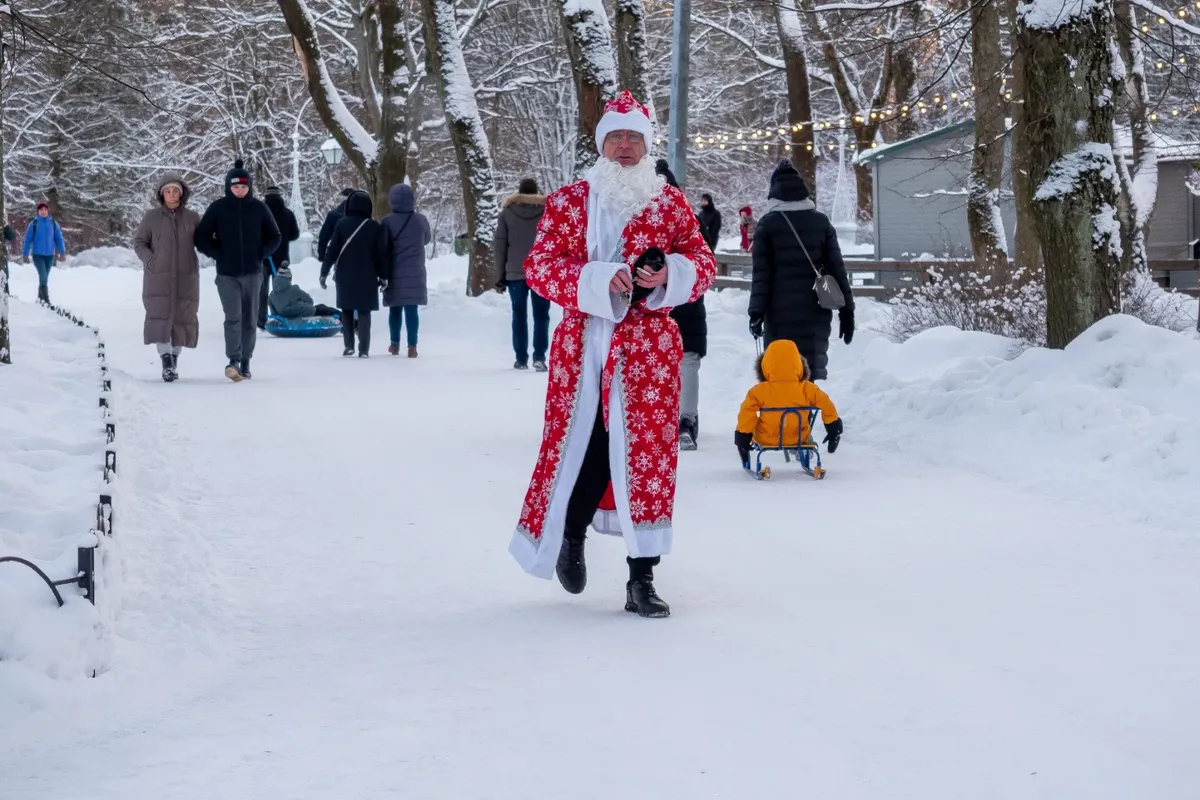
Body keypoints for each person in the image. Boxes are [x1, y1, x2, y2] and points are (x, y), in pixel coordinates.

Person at [508, 90, 717, 618]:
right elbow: (539, 267)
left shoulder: (669, 202)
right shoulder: (571, 200)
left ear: (647, 145)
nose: (625, 147)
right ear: (603, 143)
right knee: (589, 443)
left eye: (634, 138)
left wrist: (670, 271)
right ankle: (570, 535)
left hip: (648, 350)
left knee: (645, 456)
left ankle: (641, 578)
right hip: (584, 346)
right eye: (616, 137)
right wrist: (598, 279)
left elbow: (703, 263)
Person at [748, 159, 854, 381]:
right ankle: (806, 415)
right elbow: (837, 268)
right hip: (814, 310)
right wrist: (847, 311)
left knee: (780, 374)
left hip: (779, 313)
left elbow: (761, 276)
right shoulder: (821, 222)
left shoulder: (767, 225)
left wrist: (756, 313)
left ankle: (785, 416)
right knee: (808, 373)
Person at [194, 158, 283, 382]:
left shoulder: (259, 208)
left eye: (244, 186)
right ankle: (233, 360)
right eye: (236, 187)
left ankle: (246, 361)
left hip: (253, 273)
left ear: (249, 187)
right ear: (228, 187)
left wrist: (261, 253)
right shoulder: (218, 208)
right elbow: (201, 237)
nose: (240, 190)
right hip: (227, 274)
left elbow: (276, 236)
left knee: (250, 319)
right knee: (233, 317)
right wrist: (217, 253)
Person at [653, 160, 707, 451]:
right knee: (687, 362)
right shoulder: (690, 220)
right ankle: (686, 420)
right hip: (688, 304)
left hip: (655, 304)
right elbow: (705, 258)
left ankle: (665, 418)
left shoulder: (637, 217)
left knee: (657, 364)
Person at [132, 172, 202, 383]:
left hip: (185, 277)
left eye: (175, 191)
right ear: (162, 194)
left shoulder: (192, 218)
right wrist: (151, 260)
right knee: (160, 317)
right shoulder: (151, 217)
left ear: (182, 193)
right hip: (158, 278)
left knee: (181, 317)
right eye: (168, 191)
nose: (172, 194)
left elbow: (207, 240)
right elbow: (139, 242)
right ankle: (165, 361)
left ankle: (174, 359)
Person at [734, 339, 842, 468]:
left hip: (766, 438)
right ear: (798, 364)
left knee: (755, 418)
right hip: (800, 437)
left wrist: (743, 440)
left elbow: (746, 413)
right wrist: (833, 430)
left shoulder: (758, 391)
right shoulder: (807, 388)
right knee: (805, 428)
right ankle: (803, 452)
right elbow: (826, 404)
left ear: (765, 365)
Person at [493, 178, 549, 371]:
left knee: (519, 315)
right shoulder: (547, 212)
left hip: (515, 272)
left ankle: (520, 359)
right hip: (541, 271)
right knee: (541, 315)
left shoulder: (507, 214)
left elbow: (500, 247)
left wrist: (500, 276)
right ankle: (540, 356)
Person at [320, 190, 383, 357]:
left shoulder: (342, 224)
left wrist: (324, 272)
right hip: (368, 275)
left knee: (346, 309)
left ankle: (349, 345)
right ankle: (364, 349)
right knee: (364, 311)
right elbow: (380, 254)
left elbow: (332, 251)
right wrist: (383, 275)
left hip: (344, 273)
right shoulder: (374, 227)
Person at [379, 183, 431, 357]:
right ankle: (412, 346)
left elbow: (383, 245)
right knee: (412, 309)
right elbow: (426, 239)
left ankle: (394, 344)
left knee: (395, 308)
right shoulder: (421, 219)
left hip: (394, 271)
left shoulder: (387, 221)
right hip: (415, 270)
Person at [260, 186, 301, 329]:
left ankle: (261, 320)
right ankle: (283, 316)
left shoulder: (259, 213)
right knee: (283, 290)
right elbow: (295, 234)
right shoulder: (288, 214)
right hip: (282, 258)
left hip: (263, 257)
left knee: (261, 291)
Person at [23, 201, 67, 304]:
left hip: (50, 256)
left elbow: (59, 238)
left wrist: (62, 252)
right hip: (38, 256)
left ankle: (39, 299)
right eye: (41, 210)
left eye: (45, 210)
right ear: (38, 211)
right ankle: (46, 300)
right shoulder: (34, 224)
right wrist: (25, 254)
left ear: (48, 211)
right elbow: (27, 240)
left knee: (45, 278)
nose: (43, 211)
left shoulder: (53, 224)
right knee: (43, 276)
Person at [317, 188, 355, 262]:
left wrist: (321, 256)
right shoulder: (363, 216)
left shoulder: (333, 215)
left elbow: (323, 237)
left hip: (339, 257)